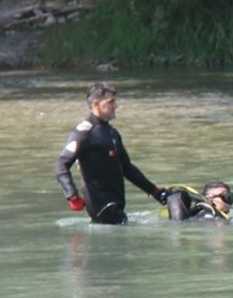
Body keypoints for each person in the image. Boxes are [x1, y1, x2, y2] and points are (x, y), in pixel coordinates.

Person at [56, 82, 167, 224]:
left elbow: (127, 168)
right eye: (111, 102)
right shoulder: (83, 133)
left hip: (116, 206)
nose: (116, 105)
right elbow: (61, 164)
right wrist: (72, 195)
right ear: (96, 104)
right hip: (103, 208)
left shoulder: (112, 133)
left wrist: (154, 191)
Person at [164, 181, 233, 221]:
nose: (228, 201)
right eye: (226, 197)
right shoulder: (211, 217)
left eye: (230, 197)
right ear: (210, 199)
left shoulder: (198, 213)